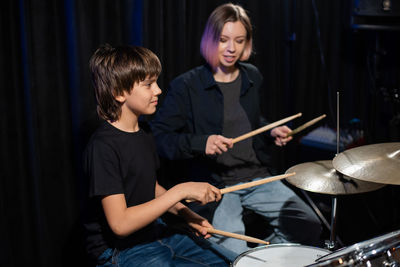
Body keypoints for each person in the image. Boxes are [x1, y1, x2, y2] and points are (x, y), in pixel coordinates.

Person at [150, 3, 322, 254]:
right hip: (218, 185)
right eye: (223, 40)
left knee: (308, 224)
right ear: (211, 40)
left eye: (239, 41)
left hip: (258, 176)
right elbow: (159, 137)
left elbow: (250, 121)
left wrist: (269, 131)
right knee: (233, 250)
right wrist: (201, 142)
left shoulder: (252, 76)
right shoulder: (186, 86)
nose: (232, 48)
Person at [83, 44, 231, 266]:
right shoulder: (103, 147)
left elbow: (150, 187)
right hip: (120, 250)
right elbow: (120, 224)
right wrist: (181, 190)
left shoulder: (145, 132)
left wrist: (186, 215)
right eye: (148, 85)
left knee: (234, 262)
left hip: (156, 232)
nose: (158, 90)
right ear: (118, 93)